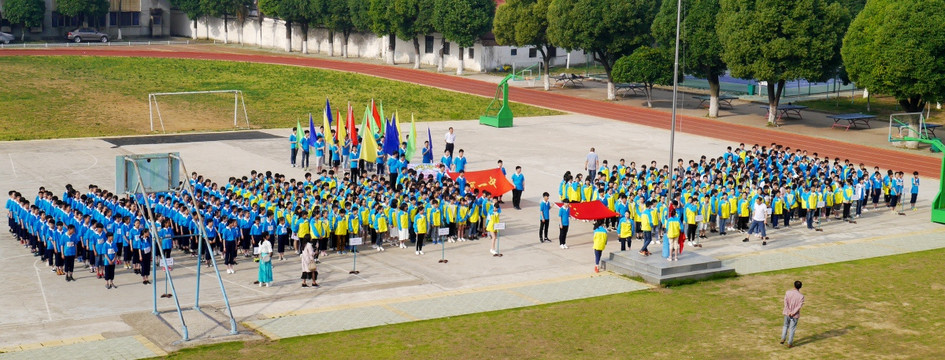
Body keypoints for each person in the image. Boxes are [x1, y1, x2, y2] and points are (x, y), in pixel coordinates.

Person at [780, 280, 805, 348]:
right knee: (792, 329)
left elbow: (785, 303)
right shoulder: (801, 296)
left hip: (787, 313)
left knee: (785, 326)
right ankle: (789, 343)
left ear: (794, 285)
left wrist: (788, 311)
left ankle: (783, 338)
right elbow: (799, 306)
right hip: (795, 315)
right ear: (800, 287)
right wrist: (793, 312)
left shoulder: (788, 292)